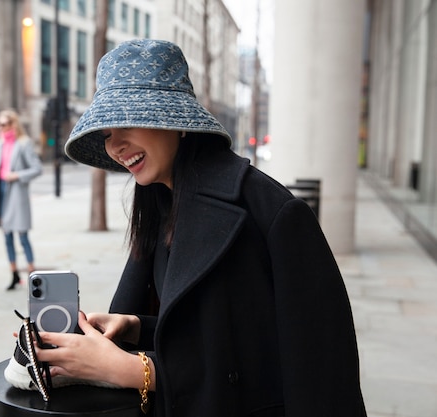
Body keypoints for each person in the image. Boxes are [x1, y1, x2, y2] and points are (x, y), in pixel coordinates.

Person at [28, 39, 367, 416]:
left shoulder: (274, 214)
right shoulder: (164, 203)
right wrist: (137, 325)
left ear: (177, 122)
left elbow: (311, 373)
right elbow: (215, 331)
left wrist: (132, 370)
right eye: (107, 133)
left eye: (127, 122)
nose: (116, 146)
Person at [0, 109, 42, 290]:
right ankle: (13, 274)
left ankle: (32, 274)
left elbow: (37, 168)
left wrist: (17, 175)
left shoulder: (24, 143)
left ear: (13, 124)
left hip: (17, 194)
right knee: (7, 236)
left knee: (23, 235)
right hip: (1, 193)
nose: (0, 127)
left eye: (3, 124)